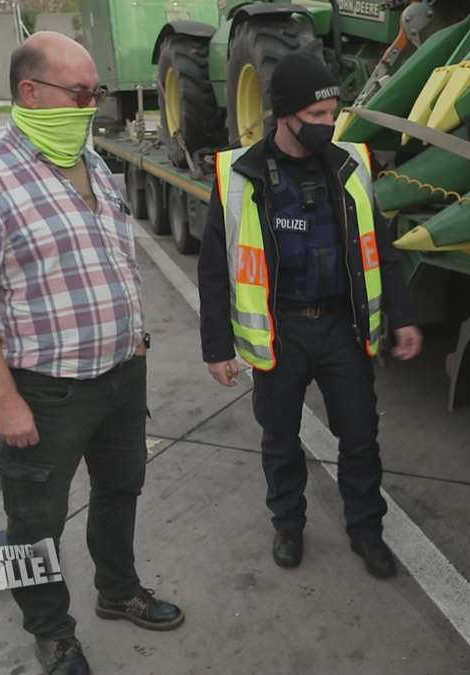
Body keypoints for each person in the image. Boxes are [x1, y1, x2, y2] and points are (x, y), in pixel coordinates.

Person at [0, 32, 182, 675]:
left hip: (122, 374)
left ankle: (118, 590)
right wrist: (4, 401)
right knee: (35, 518)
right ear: (31, 92)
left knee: (120, 487)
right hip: (47, 390)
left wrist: (132, 346)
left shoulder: (92, 161)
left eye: (95, 91)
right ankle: (52, 632)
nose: (93, 103)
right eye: (81, 93)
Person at [198, 52, 422, 578]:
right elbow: (214, 268)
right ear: (285, 115)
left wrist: (404, 315)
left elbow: (381, 249)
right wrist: (216, 347)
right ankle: (288, 525)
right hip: (281, 333)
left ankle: (367, 531)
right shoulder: (241, 174)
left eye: (332, 115)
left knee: (361, 437)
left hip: (341, 328)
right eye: (318, 117)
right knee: (280, 439)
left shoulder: (350, 166)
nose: (330, 126)